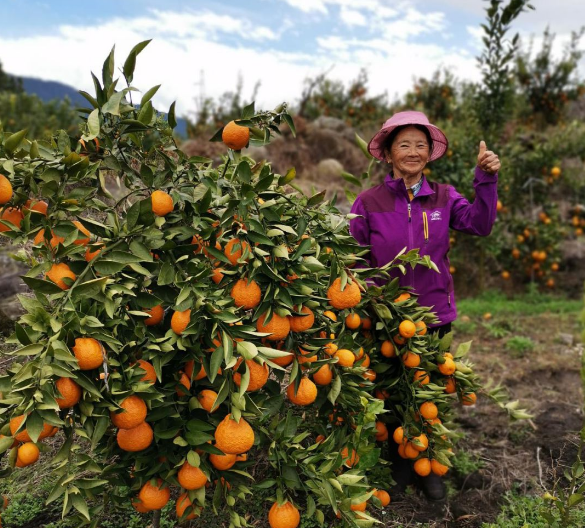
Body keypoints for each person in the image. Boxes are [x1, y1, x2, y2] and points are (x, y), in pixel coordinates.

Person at [349, 110, 500, 501]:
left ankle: (429, 465)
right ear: (387, 153)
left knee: (429, 390)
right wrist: (372, 298)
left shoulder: (445, 197)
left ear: (430, 153)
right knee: (392, 391)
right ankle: (400, 465)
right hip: (386, 316)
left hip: (433, 315)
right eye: (404, 145)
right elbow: (354, 259)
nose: (413, 151)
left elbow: (481, 224)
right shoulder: (368, 202)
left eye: (421, 145)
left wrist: (485, 179)